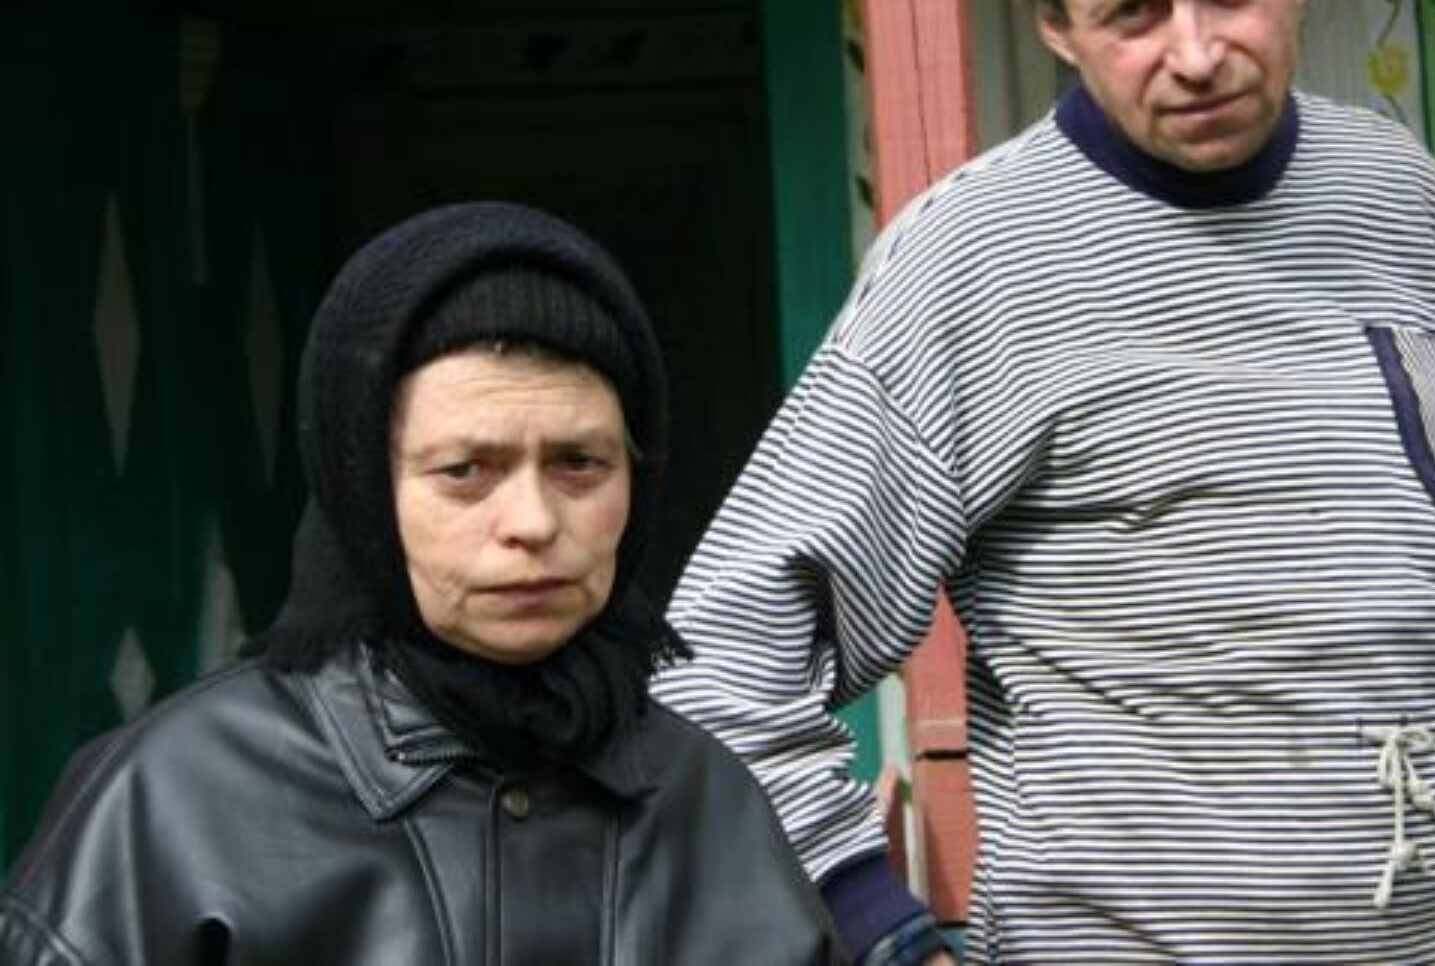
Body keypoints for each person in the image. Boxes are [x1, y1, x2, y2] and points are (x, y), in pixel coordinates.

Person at [652, 0, 1435, 965]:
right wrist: (882, 933)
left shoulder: (1400, 200)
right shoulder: (975, 261)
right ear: (1055, 27)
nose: (1198, 51)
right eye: (1135, 11)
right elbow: (725, 655)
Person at [0, 202, 844, 965]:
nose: (533, 521)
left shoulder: (706, 801)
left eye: (580, 463)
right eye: (466, 470)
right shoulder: (169, 804)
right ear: (364, 491)